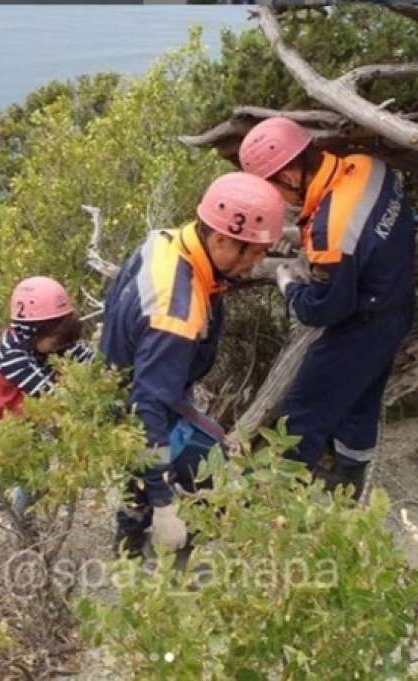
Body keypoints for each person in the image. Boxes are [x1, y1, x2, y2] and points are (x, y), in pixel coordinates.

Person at [100, 172, 285, 555]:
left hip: (128, 377)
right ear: (219, 239)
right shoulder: (175, 311)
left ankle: (130, 542)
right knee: (186, 469)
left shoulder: (167, 240)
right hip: (144, 399)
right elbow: (146, 411)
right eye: (251, 251)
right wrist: (165, 506)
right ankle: (147, 545)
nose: (257, 261)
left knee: (144, 467)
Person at [239, 116, 416, 501]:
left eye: (272, 188)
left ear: (288, 174)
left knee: (303, 411)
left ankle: (275, 504)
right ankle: (351, 485)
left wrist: (288, 285)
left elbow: (322, 310)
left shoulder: (330, 233)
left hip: (361, 325)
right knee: (360, 402)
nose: (276, 199)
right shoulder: (368, 167)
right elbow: (358, 228)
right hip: (397, 302)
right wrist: (300, 236)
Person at [0, 276, 93, 507]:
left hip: (21, 420)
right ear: (33, 332)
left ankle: (27, 521)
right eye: (56, 343)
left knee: (35, 473)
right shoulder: (11, 355)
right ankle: (24, 527)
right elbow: (50, 395)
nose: (61, 348)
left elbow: (87, 358)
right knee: (16, 480)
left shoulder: (51, 339)